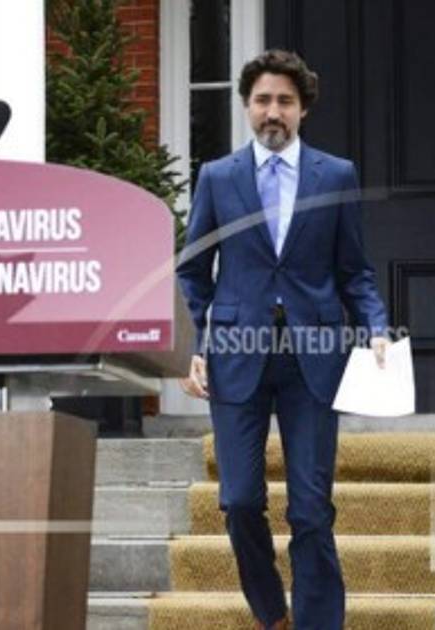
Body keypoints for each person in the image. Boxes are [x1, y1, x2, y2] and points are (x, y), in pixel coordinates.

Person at [175, 49, 390, 630]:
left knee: (311, 509)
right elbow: (192, 272)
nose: (274, 111)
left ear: (303, 109)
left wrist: (375, 327)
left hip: (313, 360)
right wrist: (193, 345)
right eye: (263, 100)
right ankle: (272, 612)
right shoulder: (218, 177)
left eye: (285, 102)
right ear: (247, 106)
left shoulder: (335, 175)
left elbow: (354, 270)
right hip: (234, 357)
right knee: (240, 500)